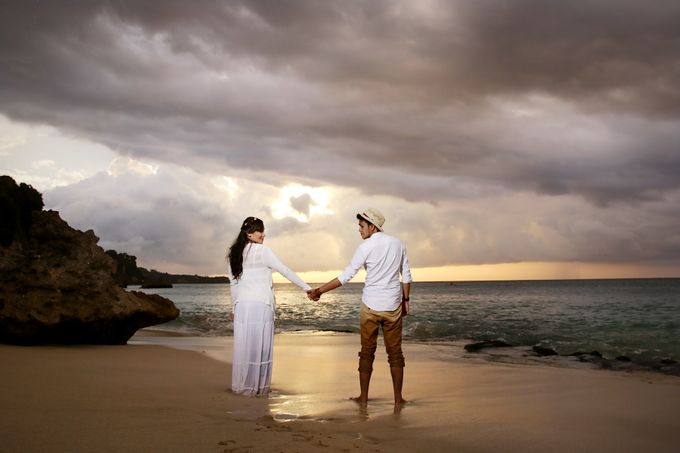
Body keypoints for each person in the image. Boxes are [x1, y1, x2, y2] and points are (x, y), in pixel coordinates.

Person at [308, 208, 412, 406]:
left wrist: (320, 291)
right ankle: (398, 399)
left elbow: (346, 276)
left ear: (372, 226)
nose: (359, 230)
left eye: (362, 226)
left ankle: (363, 398)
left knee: (367, 352)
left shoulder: (365, 247)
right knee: (395, 354)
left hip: (370, 307)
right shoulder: (398, 243)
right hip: (393, 307)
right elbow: (406, 275)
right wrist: (406, 301)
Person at [227, 216, 312, 396]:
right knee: (261, 347)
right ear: (249, 234)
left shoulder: (233, 254)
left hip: (242, 306)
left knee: (245, 347)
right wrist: (308, 288)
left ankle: (243, 386)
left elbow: (233, 285)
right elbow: (284, 270)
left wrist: (234, 309)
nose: (263, 234)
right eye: (260, 230)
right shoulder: (262, 251)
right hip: (260, 304)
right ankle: (258, 387)